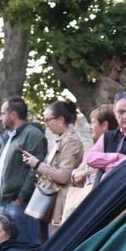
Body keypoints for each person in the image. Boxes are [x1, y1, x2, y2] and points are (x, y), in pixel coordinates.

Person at [19, 101, 85, 237]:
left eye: (48, 120)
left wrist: (37, 165)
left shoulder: (71, 141)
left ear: (60, 119)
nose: (46, 124)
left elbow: (63, 176)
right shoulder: (62, 140)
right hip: (51, 205)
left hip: (61, 206)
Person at [0, 98, 48, 244]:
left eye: (3, 113)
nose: (0, 117)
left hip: (21, 204)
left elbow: (35, 169)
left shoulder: (33, 135)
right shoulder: (9, 136)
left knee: (25, 246)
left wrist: (21, 197)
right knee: (8, 248)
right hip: (5, 202)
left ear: (13, 115)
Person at [83, 92, 126, 179]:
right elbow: (89, 158)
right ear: (115, 113)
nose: (125, 116)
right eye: (121, 112)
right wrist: (116, 156)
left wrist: (101, 166)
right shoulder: (107, 137)